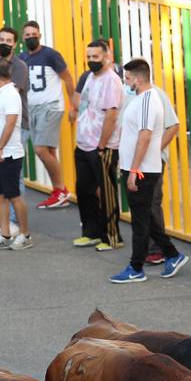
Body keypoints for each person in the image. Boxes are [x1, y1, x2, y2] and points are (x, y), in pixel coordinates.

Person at [110, 58, 186, 283]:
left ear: (139, 79)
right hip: (138, 167)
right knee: (145, 216)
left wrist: (134, 170)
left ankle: (136, 267)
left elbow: (144, 137)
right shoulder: (140, 98)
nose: (126, 83)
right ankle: (172, 254)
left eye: (128, 79)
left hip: (142, 169)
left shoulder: (147, 101)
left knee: (141, 220)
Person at [19, 21, 76, 210]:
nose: (30, 37)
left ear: (40, 35)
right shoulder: (22, 58)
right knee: (49, 151)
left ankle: (61, 189)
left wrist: (72, 104)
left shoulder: (50, 54)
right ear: (23, 37)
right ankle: (58, 192)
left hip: (50, 106)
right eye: (27, 35)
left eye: (33, 34)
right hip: (33, 108)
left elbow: (67, 78)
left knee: (40, 150)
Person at [72, 39, 121, 250]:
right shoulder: (90, 77)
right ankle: (90, 232)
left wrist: (102, 144)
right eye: (89, 57)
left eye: (96, 57)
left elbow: (111, 114)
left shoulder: (111, 80)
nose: (91, 61)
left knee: (107, 191)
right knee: (84, 189)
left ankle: (112, 237)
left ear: (107, 56)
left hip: (102, 145)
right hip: (84, 143)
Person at [0, 59, 31, 252]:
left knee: (15, 196)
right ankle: (5, 234)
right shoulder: (1, 94)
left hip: (8, 154)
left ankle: (25, 234)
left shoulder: (10, 94)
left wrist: (0, 148)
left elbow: (10, 123)